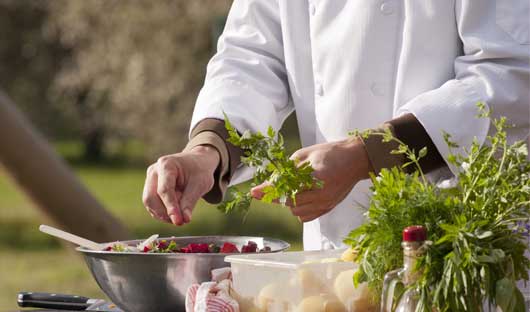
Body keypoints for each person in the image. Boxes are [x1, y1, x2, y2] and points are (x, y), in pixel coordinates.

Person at [142, 0, 530, 250]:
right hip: (335, 250)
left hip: (464, 242)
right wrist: (208, 150)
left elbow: (511, 74)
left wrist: (366, 155)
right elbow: (253, 56)